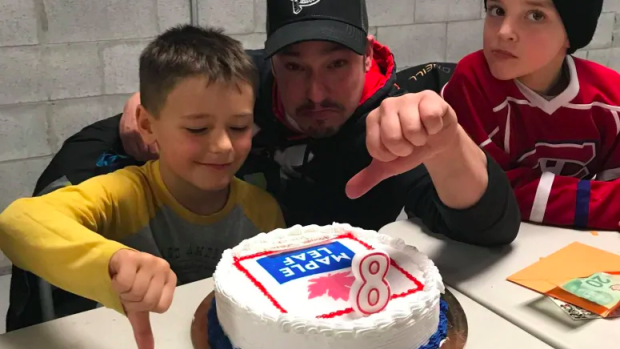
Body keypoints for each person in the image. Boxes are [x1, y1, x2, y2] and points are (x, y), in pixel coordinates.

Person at [5, 0, 521, 333]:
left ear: (368, 55)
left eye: (336, 64)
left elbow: (490, 230)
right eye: (294, 66)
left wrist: (449, 144)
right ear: (269, 62)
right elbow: (41, 208)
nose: (314, 91)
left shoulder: (394, 122)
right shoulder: (238, 85)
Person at [0, 25, 284, 348]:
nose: (222, 145)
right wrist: (110, 261)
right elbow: (16, 222)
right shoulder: (125, 193)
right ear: (148, 126)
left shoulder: (263, 211)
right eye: (197, 128)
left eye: (238, 126)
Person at [442, 0, 617, 230]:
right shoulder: (471, 83)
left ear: (571, 34)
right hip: (481, 248)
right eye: (497, 10)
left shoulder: (610, 98)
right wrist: (598, 204)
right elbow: (490, 192)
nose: (504, 32)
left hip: (576, 250)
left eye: (535, 15)